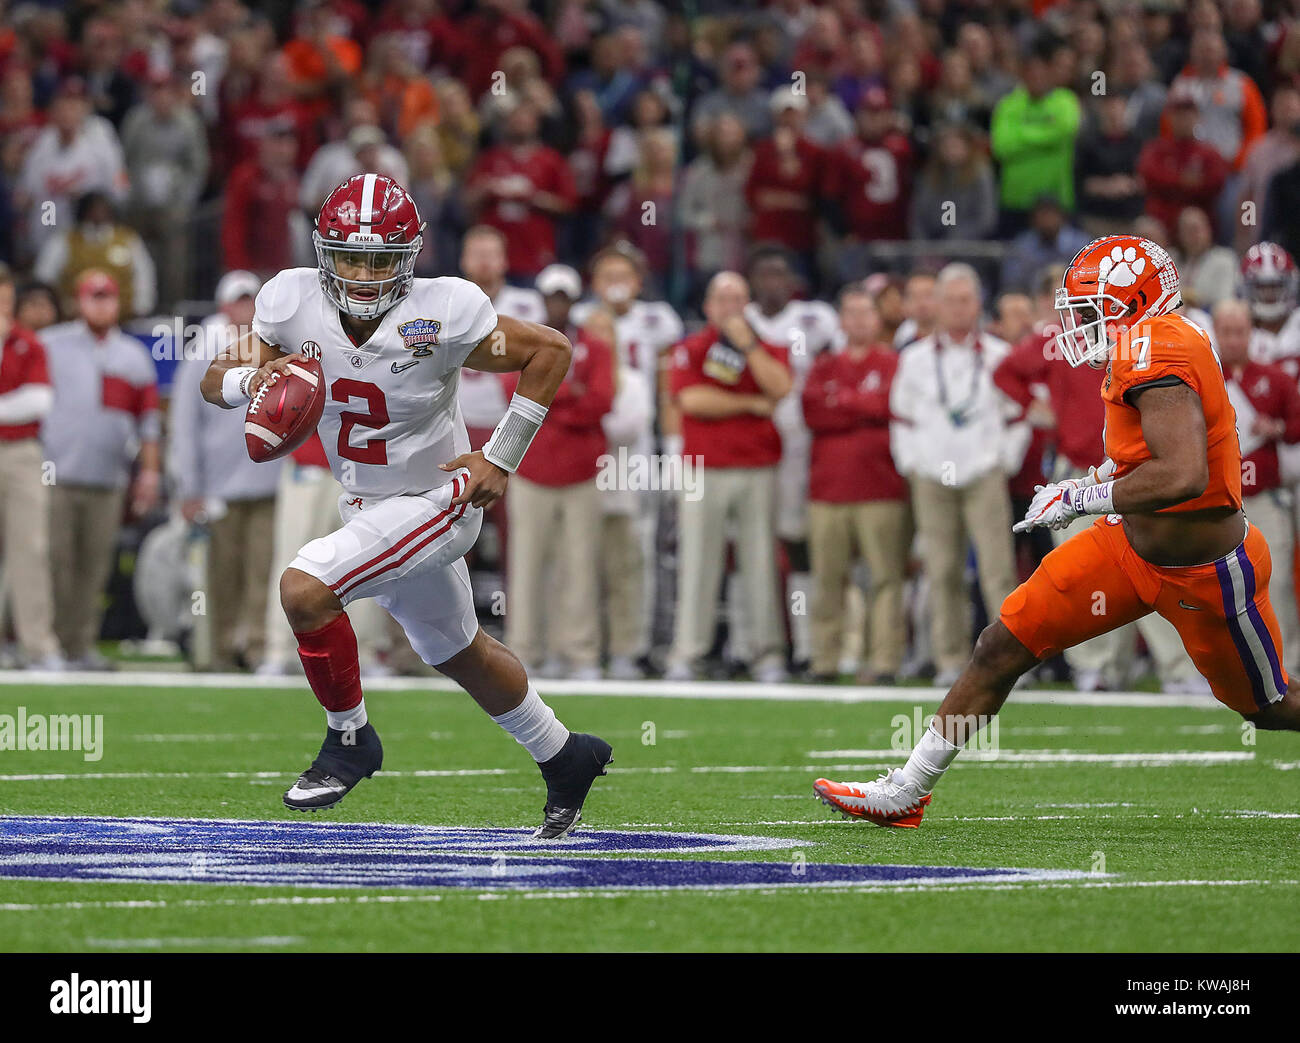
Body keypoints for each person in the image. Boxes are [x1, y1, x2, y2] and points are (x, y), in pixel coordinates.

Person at [816, 235, 1300, 828]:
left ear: (1133, 303)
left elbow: (1183, 473)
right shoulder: (1158, 337)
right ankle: (908, 788)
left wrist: (1083, 495)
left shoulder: (1156, 350)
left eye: (1088, 309)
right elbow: (1153, 453)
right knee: (1002, 644)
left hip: (1206, 572)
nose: (1075, 324)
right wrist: (1101, 480)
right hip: (1129, 548)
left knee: (1270, 707)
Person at [200, 174, 611, 838]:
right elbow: (214, 378)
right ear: (323, 251)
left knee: (305, 588)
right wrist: (256, 377)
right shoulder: (290, 301)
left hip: (439, 496)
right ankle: (566, 755)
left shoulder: (442, 310)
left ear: (411, 257)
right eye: (351, 256)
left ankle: (350, 738)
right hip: (366, 502)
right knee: (457, 650)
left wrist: (500, 455)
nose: (363, 273)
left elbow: (550, 350)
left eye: (381, 259)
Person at [888, 263, 1022, 686]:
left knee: (997, 570)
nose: (958, 309)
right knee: (941, 569)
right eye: (950, 300)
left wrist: (1004, 461)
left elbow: (1019, 416)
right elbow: (900, 418)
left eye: (966, 300)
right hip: (931, 474)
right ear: (938, 306)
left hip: (984, 472)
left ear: (978, 304)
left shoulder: (1000, 356)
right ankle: (949, 659)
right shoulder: (914, 358)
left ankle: (1007, 664)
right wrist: (911, 464)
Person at [666, 271, 792, 682]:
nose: (730, 307)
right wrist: (751, 405)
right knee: (699, 563)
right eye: (722, 299)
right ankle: (689, 652)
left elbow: (781, 387)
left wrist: (749, 346)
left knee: (760, 563)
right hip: (704, 466)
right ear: (707, 307)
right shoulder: (691, 348)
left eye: (738, 299)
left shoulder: (768, 347)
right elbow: (692, 400)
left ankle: (766, 653)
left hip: (757, 468)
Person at [41, 270, 161, 669]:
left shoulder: (132, 356)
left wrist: (149, 473)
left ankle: (80, 645)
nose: (101, 304)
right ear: (79, 301)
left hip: (108, 479)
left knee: (95, 568)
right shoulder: (50, 345)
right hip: (55, 474)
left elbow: (147, 422)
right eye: (94, 296)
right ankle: (48, 644)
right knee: (53, 562)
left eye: (107, 296)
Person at [502, 264, 614, 679]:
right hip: (531, 467)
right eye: (553, 297)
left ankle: (580, 653)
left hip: (581, 470)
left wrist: (548, 396)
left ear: (575, 300)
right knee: (527, 565)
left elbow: (601, 401)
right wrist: (570, 394)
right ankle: (525, 651)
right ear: (542, 299)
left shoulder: (596, 347)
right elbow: (510, 391)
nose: (558, 305)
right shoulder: (526, 340)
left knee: (580, 565)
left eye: (565, 298)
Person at [167, 270, 283, 671]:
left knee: (264, 572)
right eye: (239, 300)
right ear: (223, 305)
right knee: (221, 575)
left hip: (269, 482)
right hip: (219, 488)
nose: (245, 308)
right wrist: (188, 486)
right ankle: (217, 651)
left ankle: (255, 648)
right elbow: (184, 422)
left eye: (251, 300)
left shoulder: (275, 346)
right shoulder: (205, 350)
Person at [802, 285, 907, 683]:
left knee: (885, 578)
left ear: (877, 319)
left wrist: (841, 401)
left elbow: (889, 406)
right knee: (828, 579)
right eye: (852, 313)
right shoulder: (823, 365)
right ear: (841, 320)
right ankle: (824, 660)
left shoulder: (893, 362)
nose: (860, 320)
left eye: (867, 313)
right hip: (827, 489)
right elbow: (812, 412)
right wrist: (862, 405)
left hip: (880, 487)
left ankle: (884, 662)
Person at [1215, 298, 1300, 676]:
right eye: (1227, 332)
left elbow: (1296, 427)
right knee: (1221, 586)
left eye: (1240, 331)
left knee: (1276, 579)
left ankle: (1287, 664)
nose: (1233, 340)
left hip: (1263, 496)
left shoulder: (1275, 378)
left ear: (1251, 334)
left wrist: (1276, 428)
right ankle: (1231, 667)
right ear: (1216, 333)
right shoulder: (1204, 379)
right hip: (1218, 501)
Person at [0, 264, 62, 669]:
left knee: (30, 547)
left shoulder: (27, 344)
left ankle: (37, 644)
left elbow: (39, 401)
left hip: (19, 453)